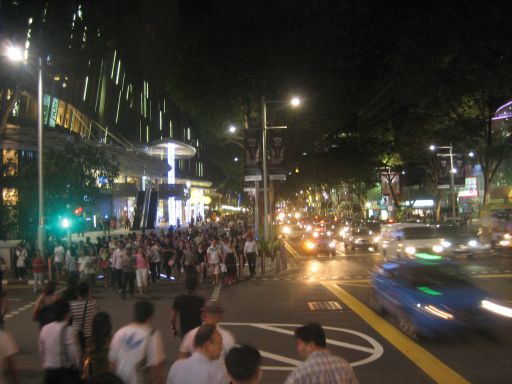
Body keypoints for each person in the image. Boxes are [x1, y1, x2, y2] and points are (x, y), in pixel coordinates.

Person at [109, 300, 165, 384]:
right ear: (151, 316)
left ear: (134, 314)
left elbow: (112, 364)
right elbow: (157, 368)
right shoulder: (152, 334)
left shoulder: (120, 332)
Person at [284, 323, 358, 384]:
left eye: (298, 344)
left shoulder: (301, 374)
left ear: (311, 346)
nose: (298, 348)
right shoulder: (345, 366)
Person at [39, 299, 81, 384]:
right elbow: (73, 353)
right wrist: (77, 364)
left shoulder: (45, 329)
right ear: (67, 313)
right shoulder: (68, 330)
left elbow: (41, 350)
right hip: (64, 373)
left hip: (49, 372)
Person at [69, 282, 97, 355]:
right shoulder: (93, 303)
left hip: (76, 334)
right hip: (89, 334)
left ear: (77, 293)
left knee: (78, 355)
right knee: (89, 355)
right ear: (88, 292)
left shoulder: (71, 305)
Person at [82, 312, 112, 379]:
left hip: (94, 378)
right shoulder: (111, 341)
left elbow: (86, 361)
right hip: (108, 377)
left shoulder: (89, 342)